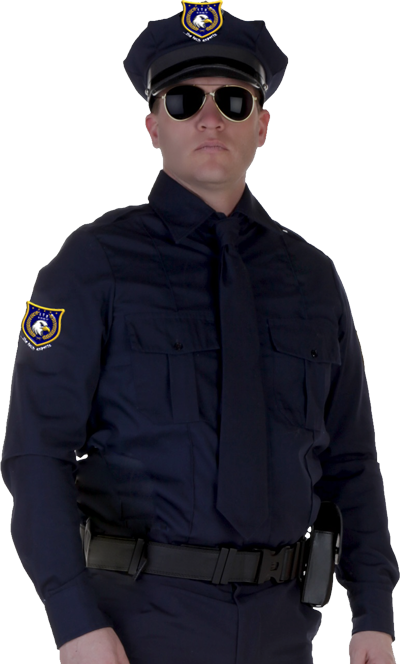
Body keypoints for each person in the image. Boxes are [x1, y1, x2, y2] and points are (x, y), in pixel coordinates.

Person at [1, 4, 398, 664]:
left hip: (283, 630)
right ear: (153, 126)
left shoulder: (313, 277)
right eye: (184, 100)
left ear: (261, 125)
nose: (210, 118)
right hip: (137, 628)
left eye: (234, 100)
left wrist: (374, 614)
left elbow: (353, 462)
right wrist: (72, 620)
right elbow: (34, 452)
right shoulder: (89, 265)